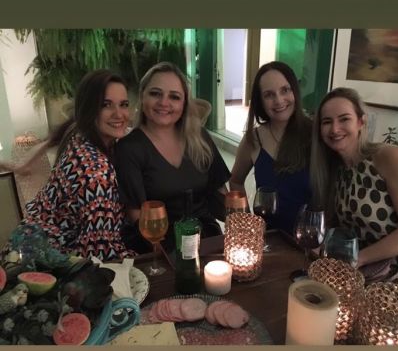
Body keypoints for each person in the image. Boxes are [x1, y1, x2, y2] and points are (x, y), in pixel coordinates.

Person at [311, 86, 398, 297]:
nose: (335, 129)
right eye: (327, 122)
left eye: (344, 119)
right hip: (367, 269)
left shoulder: (389, 157)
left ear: (361, 122)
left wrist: (358, 258)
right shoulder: (337, 170)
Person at [14, 70, 134, 261]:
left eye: (124, 104)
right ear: (89, 109)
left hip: (24, 245)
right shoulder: (97, 172)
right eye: (106, 105)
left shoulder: (80, 136)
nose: (119, 114)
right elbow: (98, 252)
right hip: (41, 262)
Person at [114, 62, 230, 253]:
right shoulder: (129, 148)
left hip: (207, 239)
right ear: (142, 97)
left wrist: (243, 230)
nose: (164, 103)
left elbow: (221, 193)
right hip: (160, 246)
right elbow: (136, 214)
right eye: (155, 93)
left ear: (184, 104)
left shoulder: (200, 137)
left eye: (174, 97)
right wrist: (165, 257)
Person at [229, 61, 313, 235]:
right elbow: (235, 181)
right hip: (268, 240)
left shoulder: (315, 134)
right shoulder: (253, 139)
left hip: (310, 241)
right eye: (269, 95)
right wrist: (246, 223)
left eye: (285, 90)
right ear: (260, 101)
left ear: (295, 91)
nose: (279, 100)